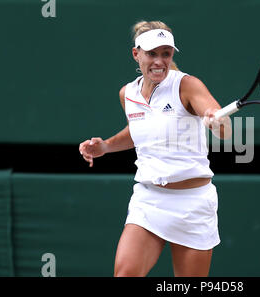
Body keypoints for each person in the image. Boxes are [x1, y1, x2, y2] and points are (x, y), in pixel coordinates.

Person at [79, 20, 232, 277]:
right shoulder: (127, 93)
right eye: (151, 54)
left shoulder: (187, 85)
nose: (159, 61)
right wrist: (105, 146)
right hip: (148, 200)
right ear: (136, 54)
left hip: (192, 205)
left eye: (166, 54)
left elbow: (222, 125)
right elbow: (140, 132)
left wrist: (217, 122)